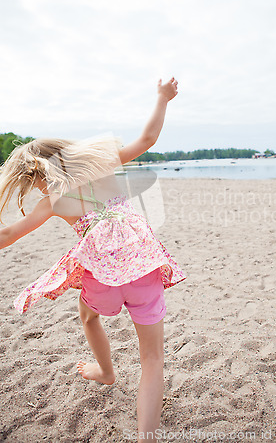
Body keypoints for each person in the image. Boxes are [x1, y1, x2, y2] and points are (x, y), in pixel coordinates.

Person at [0, 77, 186, 443]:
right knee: (152, 359)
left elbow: (7, 236)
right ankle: (146, 437)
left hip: (101, 279)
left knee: (87, 315)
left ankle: (105, 371)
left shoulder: (51, 201)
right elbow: (148, 140)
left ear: (39, 175)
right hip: (142, 269)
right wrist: (163, 98)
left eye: (36, 180)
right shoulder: (101, 167)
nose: (39, 187)